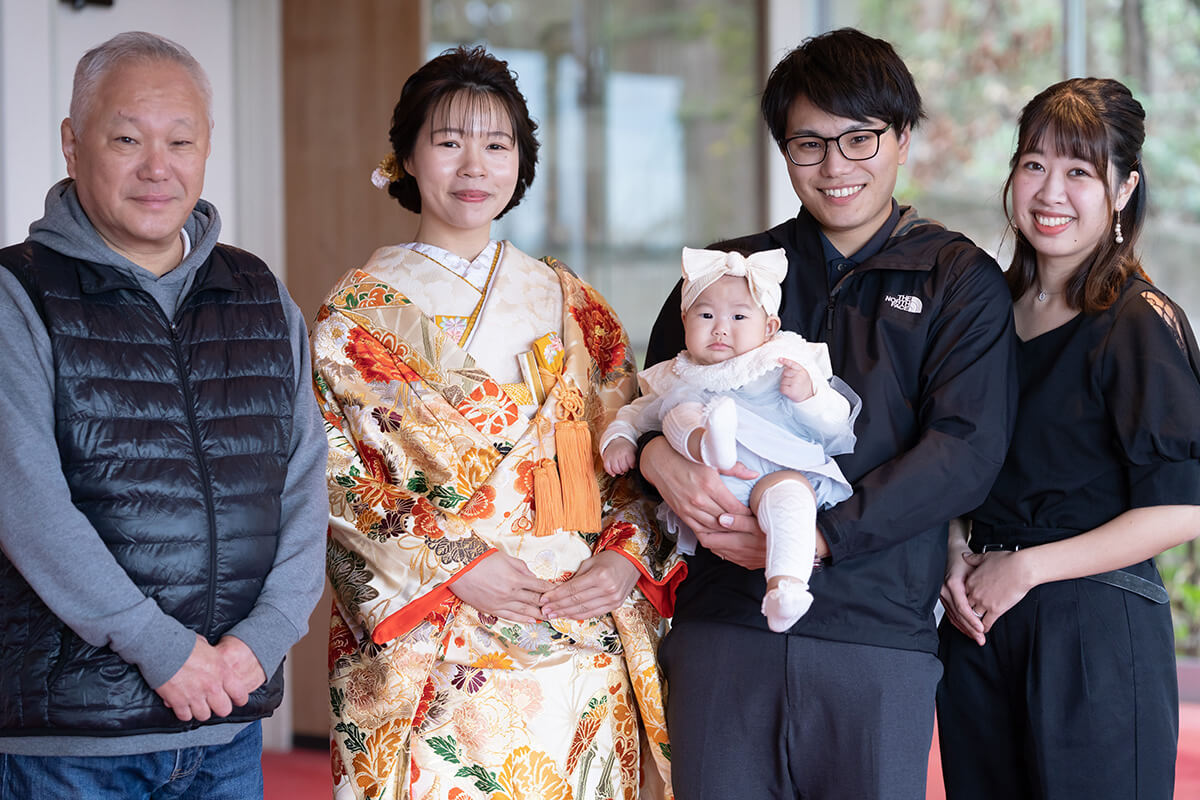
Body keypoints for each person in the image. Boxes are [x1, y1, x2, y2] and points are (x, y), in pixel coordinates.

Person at [638, 28, 1018, 799]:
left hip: (874, 634)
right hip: (722, 625)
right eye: (809, 144)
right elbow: (651, 401)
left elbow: (965, 450)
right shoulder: (728, 274)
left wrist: (819, 538)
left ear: (901, 138)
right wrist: (656, 460)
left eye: (859, 138)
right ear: (783, 151)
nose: (836, 166)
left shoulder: (958, 278)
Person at [312, 46, 682, 800]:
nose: (473, 165)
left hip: (580, 634)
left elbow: (632, 448)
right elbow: (330, 480)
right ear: (407, 156)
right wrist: (456, 561)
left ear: (521, 161)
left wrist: (622, 562)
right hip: (436, 643)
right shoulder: (353, 319)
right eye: (448, 141)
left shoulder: (573, 303)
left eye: (497, 144)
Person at [0, 32, 328, 797]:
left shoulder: (257, 290)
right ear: (72, 145)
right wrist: (163, 651)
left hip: (227, 725)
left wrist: (263, 640)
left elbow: (306, 480)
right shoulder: (19, 293)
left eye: (181, 140)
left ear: (207, 146)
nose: (158, 166)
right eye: (127, 139)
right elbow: (25, 504)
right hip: (72, 742)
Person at [937, 77, 1200, 799]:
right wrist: (957, 552)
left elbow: (1183, 507)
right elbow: (955, 459)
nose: (1051, 191)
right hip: (978, 629)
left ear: (1123, 190)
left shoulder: (1139, 321)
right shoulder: (983, 313)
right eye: (1034, 165)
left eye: (1079, 171)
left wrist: (1027, 568)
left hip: (1094, 636)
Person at [602, 246, 859, 631]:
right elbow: (634, 415)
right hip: (708, 485)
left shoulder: (779, 363)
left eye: (739, 316)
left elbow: (835, 424)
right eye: (706, 316)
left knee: (792, 496)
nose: (721, 328)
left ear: (769, 327)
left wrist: (808, 396)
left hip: (771, 472)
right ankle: (710, 441)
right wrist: (619, 441)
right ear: (685, 319)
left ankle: (786, 586)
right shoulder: (676, 375)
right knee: (679, 412)